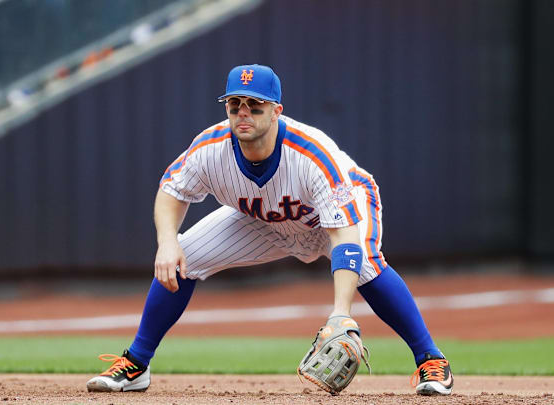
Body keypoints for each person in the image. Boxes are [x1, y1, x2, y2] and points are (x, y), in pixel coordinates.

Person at [86, 64, 454, 396]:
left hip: (337, 210)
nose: (243, 112)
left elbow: (343, 238)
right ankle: (136, 364)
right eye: (235, 104)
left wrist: (341, 313)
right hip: (265, 219)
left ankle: (430, 360)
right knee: (186, 256)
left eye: (255, 104)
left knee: (368, 264)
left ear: (277, 110)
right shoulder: (209, 148)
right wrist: (166, 242)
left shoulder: (312, 155)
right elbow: (171, 191)